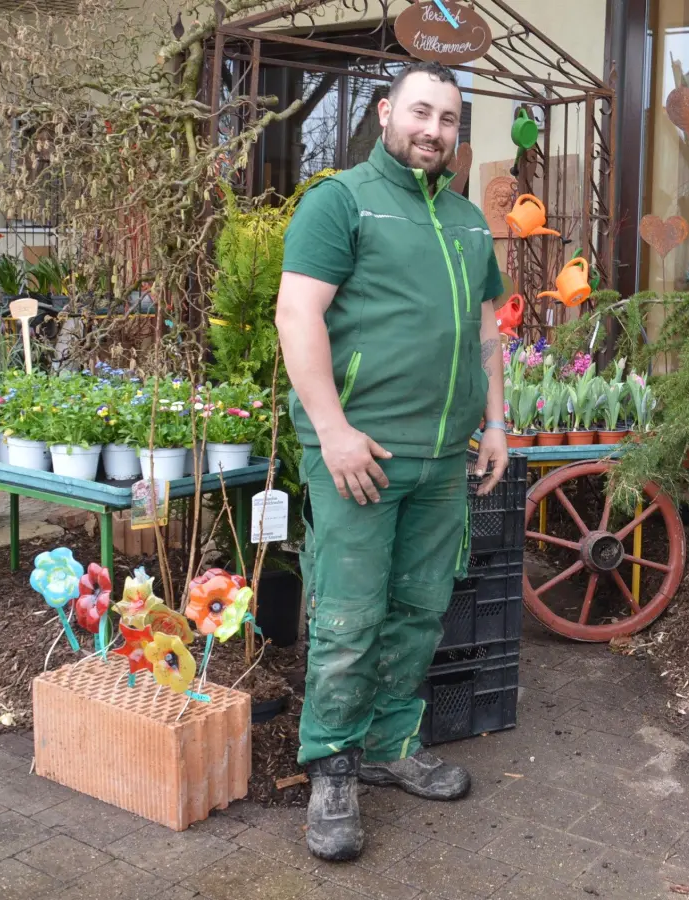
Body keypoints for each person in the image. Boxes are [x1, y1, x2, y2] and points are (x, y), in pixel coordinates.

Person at [276, 59, 510, 862]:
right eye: (420, 112)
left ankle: (386, 744)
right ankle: (332, 765)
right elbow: (297, 313)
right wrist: (333, 431)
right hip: (359, 455)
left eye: (447, 119)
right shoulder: (339, 202)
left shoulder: (470, 222)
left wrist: (497, 423)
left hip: (443, 457)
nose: (433, 130)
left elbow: (487, 329)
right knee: (347, 616)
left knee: (419, 609)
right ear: (385, 113)